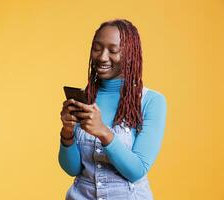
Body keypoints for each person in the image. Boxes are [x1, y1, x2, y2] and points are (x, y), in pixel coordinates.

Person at [58, 19, 167, 200]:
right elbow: (73, 169)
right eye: (97, 48)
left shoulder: (151, 101)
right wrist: (67, 133)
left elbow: (136, 170)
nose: (102, 57)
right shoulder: (85, 98)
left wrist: (103, 132)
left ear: (131, 54)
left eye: (113, 50)